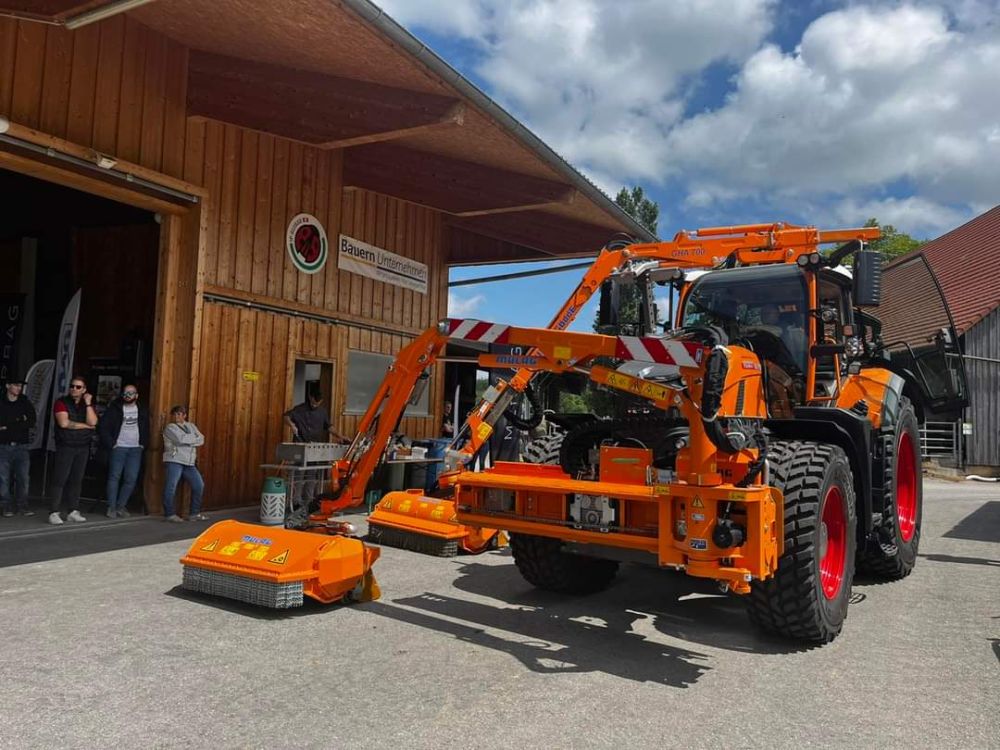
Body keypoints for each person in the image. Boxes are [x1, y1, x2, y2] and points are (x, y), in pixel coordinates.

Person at [283, 386, 348, 509]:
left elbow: (328, 427)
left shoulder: (322, 412)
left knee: (312, 474)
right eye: (313, 402)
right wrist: (292, 425)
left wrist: (340, 436)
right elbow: (286, 416)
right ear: (310, 397)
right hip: (301, 446)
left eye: (318, 403)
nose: (315, 404)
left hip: (315, 448)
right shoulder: (300, 409)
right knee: (298, 475)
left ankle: (310, 500)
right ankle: (295, 501)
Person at [49, 375, 98, 525]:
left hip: (82, 446)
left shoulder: (86, 405)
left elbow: (94, 422)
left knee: (77, 480)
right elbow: (64, 423)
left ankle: (73, 510)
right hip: (66, 445)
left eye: (78, 387)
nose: (74, 389)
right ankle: (54, 511)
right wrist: (85, 426)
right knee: (60, 479)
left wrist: (88, 404)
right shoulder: (61, 402)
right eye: (72, 386)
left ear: (84, 390)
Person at [98, 383, 150, 518]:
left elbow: (146, 427)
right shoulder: (114, 408)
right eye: (126, 393)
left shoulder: (142, 409)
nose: (128, 395)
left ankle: (121, 505)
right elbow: (103, 427)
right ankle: (111, 507)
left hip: (135, 449)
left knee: (131, 478)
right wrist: (112, 444)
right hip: (119, 447)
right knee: (114, 476)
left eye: (131, 393)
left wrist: (143, 444)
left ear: (136, 395)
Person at [162, 405, 206, 523]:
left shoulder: (191, 426)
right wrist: (193, 440)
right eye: (175, 414)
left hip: (189, 461)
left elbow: (202, 438)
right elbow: (180, 439)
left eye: (179, 414)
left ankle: (194, 513)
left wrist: (189, 439)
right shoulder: (170, 427)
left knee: (199, 485)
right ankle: (169, 514)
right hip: (174, 459)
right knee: (171, 486)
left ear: (184, 415)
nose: (177, 416)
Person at [0, 375, 36, 517]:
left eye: (20, 386)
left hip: (22, 446)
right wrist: (19, 420)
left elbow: (32, 420)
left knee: (23, 477)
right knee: (3, 478)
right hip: (3, 445)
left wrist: (8, 425)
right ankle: (6, 506)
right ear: (8, 386)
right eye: (16, 385)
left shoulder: (25, 401)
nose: (19, 388)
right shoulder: (1, 401)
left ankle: (22, 505)